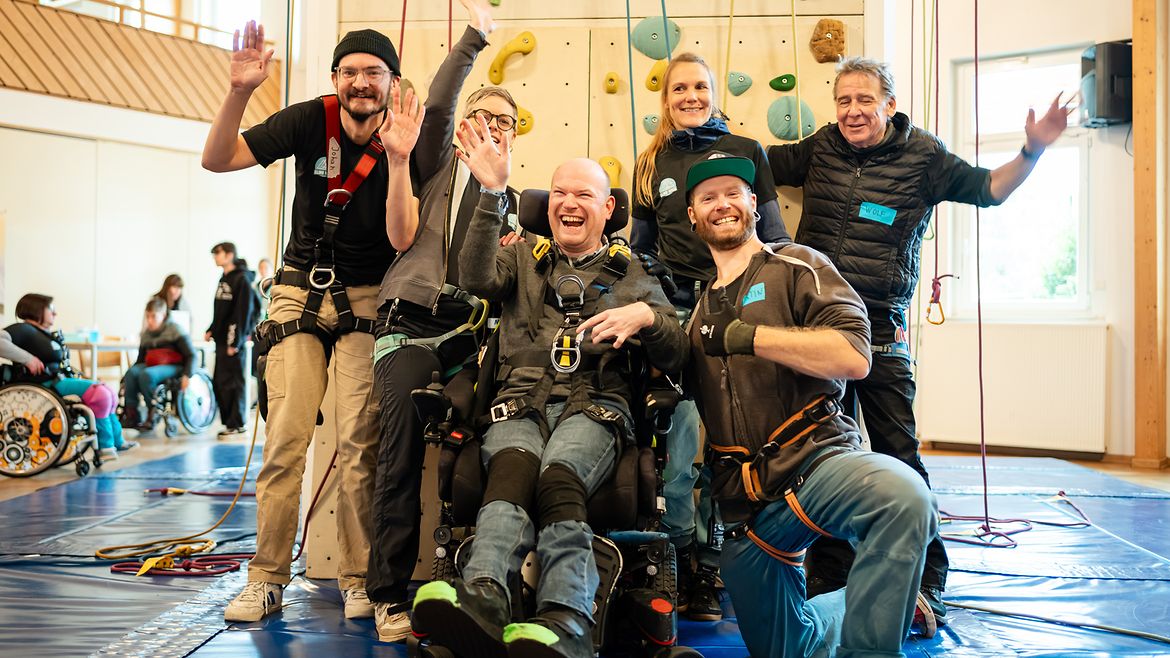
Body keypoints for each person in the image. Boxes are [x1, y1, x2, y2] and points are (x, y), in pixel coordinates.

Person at [766, 56, 1072, 622]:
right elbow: (754, 163)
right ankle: (828, 582)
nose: (853, 111)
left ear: (890, 105)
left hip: (879, 334)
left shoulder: (923, 156)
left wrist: (1033, 150)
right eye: (843, 101)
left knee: (897, 456)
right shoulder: (821, 147)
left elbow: (990, 189)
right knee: (826, 462)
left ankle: (927, 583)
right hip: (815, 333)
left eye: (865, 100)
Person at [409, 139, 687, 657]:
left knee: (559, 471)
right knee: (513, 469)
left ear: (608, 208)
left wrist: (647, 318)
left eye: (583, 193)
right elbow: (473, 277)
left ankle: (568, 614)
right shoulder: (522, 257)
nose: (567, 203)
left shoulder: (635, 274)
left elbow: (676, 352)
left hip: (595, 407)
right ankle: (486, 594)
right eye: (559, 192)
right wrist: (491, 192)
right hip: (519, 405)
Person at [683, 153, 937, 657]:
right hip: (747, 510)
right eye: (707, 197)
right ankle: (892, 604)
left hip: (817, 465)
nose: (722, 204)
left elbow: (854, 355)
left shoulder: (798, 265)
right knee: (789, 648)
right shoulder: (694, 313)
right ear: (692, 215)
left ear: (753, 203)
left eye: (733, 192)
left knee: (905, 498)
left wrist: (746, 337)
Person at [202, 17, 400, 625]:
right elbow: (218, 158)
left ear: (393, 82)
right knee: (286, 441)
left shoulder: (407, 134)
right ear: (335, 79)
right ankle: (265, 578)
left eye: (373, 73)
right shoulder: (308, 119)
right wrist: (240, 91)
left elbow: (405, 234)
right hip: (299, 289)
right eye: (350, 73)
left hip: (368, 296)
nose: (361, 83)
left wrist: (402, 156)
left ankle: (358, 575)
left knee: (358, 446)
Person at [364, 0, 519, 642]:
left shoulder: (509, 196)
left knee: (496, 442)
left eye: (506, 121)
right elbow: (440, 100)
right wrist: (475, 38)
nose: (493, 127)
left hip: (473, 340)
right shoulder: (434, 166)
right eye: (483, 116)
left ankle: (473, 582)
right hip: (412, 325)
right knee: (398, 446)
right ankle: (387, 592)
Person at [630, 51, 791, 620]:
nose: (691, 97)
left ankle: (713, 564)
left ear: (714, 93)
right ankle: (677, 563)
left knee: (733, 441)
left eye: (700, 87)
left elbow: (774, 234)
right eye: (680, 89)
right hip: (677, 311)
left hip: (737, 309)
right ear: (666, 98)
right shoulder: (651, 163)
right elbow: (640, 249)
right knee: (680, 449)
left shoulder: (748, 153)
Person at [4, 294, 137, 461]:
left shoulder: (41, 332)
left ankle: (117, 441)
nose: (55, 313)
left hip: (57, 381)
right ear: (37, 310)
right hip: (44, 384)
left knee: (108, 392)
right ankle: (106, 445)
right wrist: (27, 359)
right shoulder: (22, 329)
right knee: (100, 395)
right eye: (51, 309)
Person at [204, 242, 258, 439]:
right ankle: (229, 422)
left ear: (229, 255)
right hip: (221, 341)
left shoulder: (242, 280)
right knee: (220, 382)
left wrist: (234, 343)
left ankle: (237, 424)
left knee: (233, 383)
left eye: (217, 254)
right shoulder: (224, 278)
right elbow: (221, 310)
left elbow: (242, 314)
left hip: (233, 343)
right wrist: (211, 328)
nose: (215, 258)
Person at [124, 297, 197, 433]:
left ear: (163, 316)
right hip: (152, 364)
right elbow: (141, 360)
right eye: (147, 317)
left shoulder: (175, 330)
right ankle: (132, 414)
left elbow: (192, 355)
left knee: (147, 375)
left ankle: (154, 412)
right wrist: (126, 378)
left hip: (174, 366)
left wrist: (187, 375)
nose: (150, 321)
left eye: (153, 317)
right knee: (131, 373)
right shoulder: (146, 334)